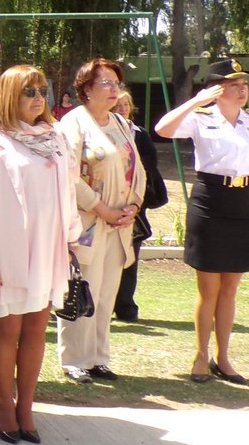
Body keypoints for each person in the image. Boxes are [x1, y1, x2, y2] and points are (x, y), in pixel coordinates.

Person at [0, 66, 80, 444]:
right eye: (29, 90)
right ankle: (4, 405)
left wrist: (70, 241)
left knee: (36, 329)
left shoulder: (56, 139)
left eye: (42, 90)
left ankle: (26, 406)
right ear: (9, 96)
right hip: (10, 248)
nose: (38, 97)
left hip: (48, 248)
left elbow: (68, 193)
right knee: (8, 328)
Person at [154, 58, 249, 385]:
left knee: (230, 288)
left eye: (244, 84)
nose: (242, 90)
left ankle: (223, 358)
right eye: (234, 84)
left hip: (242, 204)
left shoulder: (248, 122)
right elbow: (162, 129)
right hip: (210, 201)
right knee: (208, 289)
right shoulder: (201, 118)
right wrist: (196, 100)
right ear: (216, 89)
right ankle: (200, 353)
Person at [56, 58, 146, 384]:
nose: (113, 89)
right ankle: (74, 359)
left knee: (107, 292)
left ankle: (98, 358)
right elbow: (68, 175)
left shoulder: (120, 124)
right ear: (86, 89)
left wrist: (133, 205)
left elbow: (137, 169)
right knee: (84, 290)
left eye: (115, 83)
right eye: (105, 83)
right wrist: (101, 207)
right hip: (89, 223)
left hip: (119, 225)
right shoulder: (73, 123)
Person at [111, 91, 168, 324]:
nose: (123, 109)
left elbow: (149, 168)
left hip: (134, 207)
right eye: (118, 105)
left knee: (129, 259)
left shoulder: (140, 135)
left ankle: (125, 306)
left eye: (126, 104)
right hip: (106, 204)